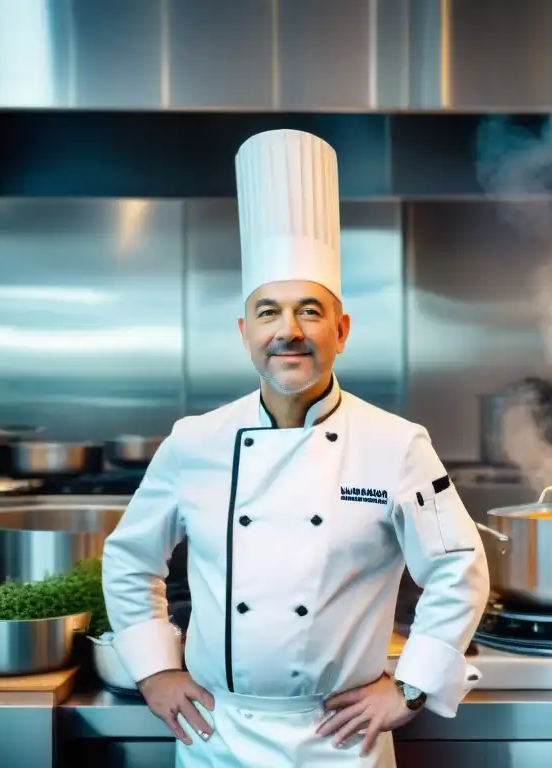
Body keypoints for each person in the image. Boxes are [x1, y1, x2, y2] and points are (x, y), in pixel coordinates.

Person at [102, 128, 490, 767]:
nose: (289, 331)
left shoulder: (396, 445)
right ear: (243, 333)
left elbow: (457, 568)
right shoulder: (194, 441)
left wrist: (413, 688)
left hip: (339, 739)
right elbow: (129, 560)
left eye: (310, 312)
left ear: (341, 330)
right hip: (215, 735)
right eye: (268, 312)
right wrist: (153, 670)